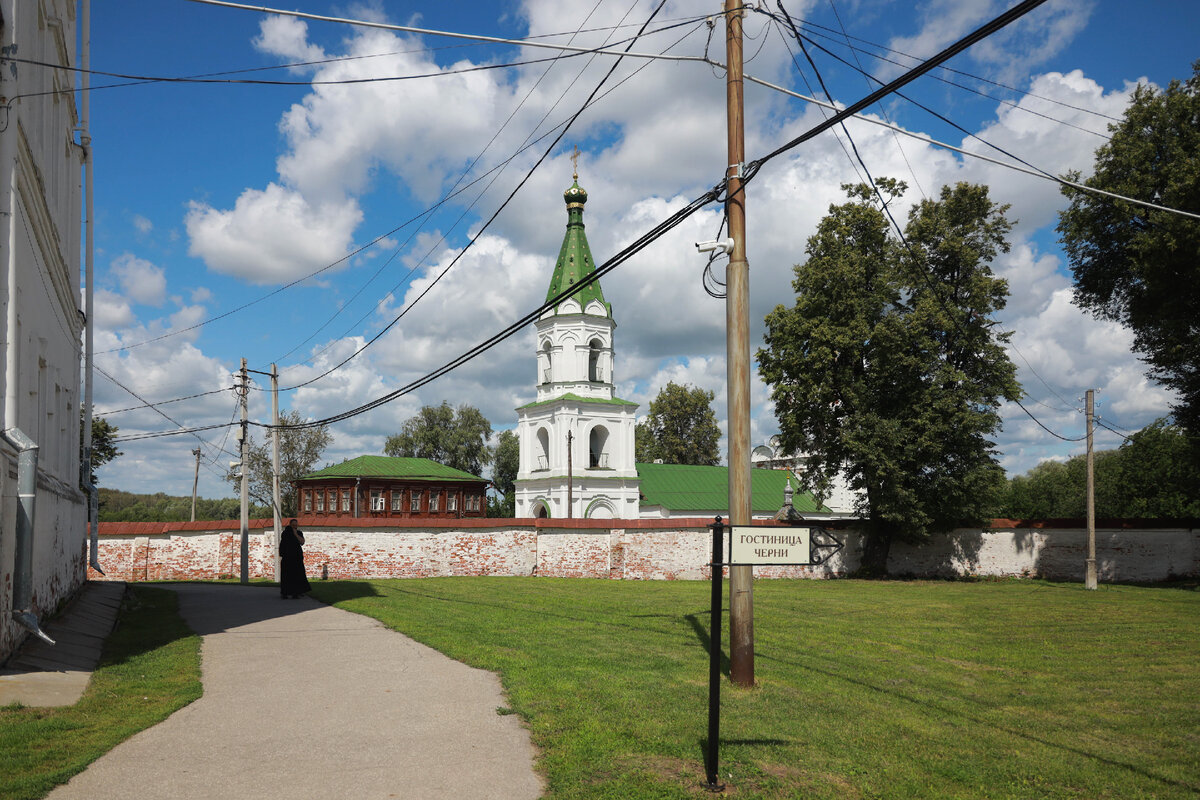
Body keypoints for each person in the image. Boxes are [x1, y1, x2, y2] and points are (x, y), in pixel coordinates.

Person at [279, 518, 311, 599]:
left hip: (297, 558)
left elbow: (302, 542)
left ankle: (296, 592)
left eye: (296, 525)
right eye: (293, 525)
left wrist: (296, 534)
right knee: (286, 575)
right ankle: (285, 592)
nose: (295, 527)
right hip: (287, 557)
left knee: (297, 575)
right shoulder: (285, 533)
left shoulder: (299, 532)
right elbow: (283, 544)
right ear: (290, 525)